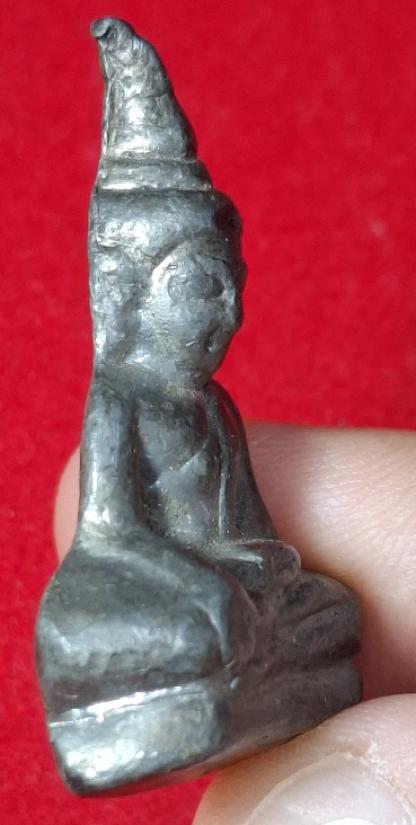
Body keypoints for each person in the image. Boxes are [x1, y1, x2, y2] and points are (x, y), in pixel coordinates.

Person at [55, 424, 416, 823]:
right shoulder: (120, 403)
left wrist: (265, 559)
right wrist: (196, 580)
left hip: (227, 581)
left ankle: (245, 679)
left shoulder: (216, 408)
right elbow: (108, 531)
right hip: (149, 582)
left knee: (336, 607)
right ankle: (211, 695)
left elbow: (246, 518)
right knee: (210, 632)